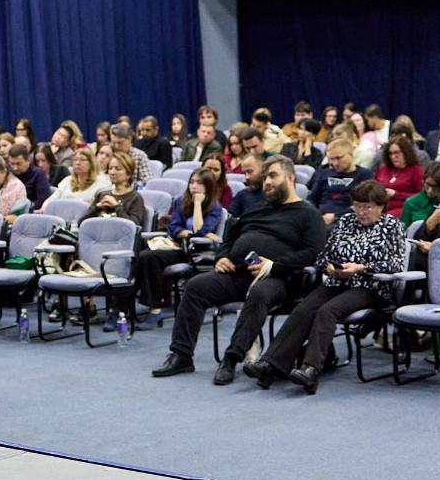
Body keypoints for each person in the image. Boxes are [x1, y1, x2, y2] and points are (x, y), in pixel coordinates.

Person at [151, 156, 328, 382]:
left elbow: (313, 252)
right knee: (195, 286)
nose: (267, 182)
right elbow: (229, 237)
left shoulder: (308, 214)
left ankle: (231, 358)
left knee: (259, 293)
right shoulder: (256, 209)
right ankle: (181, 355)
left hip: (281, 278)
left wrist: (273, 265)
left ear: (290, 178)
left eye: (273, 176)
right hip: (238, 273)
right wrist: (222, 257)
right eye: (265, 177)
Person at [247, 180, 407, 394]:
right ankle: (271, 364)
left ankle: (311, 368)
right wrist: (329, 267)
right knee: (304, 308)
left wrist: (362, 268)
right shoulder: (346, 222)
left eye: (367, 207)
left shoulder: (392, 226)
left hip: (371, 286)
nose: (361, 212)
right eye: (357, 206)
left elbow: (396, 264)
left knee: (328, 310)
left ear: (381, 206)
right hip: (338, 281)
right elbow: (323, 256)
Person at [134, 169, 225, 316]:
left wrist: (197, 204)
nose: (194, 186)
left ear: (208, 186)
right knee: (144, 254)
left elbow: (199, 230)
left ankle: (154, 308)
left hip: (198, 253)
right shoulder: (181, 201)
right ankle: (140, 304)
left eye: (199, 183)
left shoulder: (215, 208)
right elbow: (174, 227)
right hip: (179, 246)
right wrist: (187, 233)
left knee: (150, 257)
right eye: (191, 182)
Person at [308, 139, 373, 226]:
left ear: (350, 154)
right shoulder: (324, 173)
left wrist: (336, 216)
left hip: (348, 220)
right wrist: (315, 215)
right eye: (331, 159)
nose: (335, 163)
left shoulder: (364, 175)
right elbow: (312, 199)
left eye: (338, 158)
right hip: (319, 218)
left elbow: (364, 204)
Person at [398, 161, 440, 230]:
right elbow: (403, 231)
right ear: (423, 180)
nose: (430, 190)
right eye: (428, 184)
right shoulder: (411, 202)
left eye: (435, 187)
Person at [373, 137, 423, 218]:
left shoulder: (417, 171)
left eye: (397, 153)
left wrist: (396, 194)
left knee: (387, 217)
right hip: (379, 205)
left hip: (403, 208)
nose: (393, 156)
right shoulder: (383, 169)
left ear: (406, 152)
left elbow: (420, 197)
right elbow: (373, 186)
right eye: (390, 154)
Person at [107, 122, 153, 186]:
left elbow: (147, 181)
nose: (116, 146)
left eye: (120, 143)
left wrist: (128, 187)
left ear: (129, 139)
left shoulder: (139, 156)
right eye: (114, 143)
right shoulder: (108, 153)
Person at [10, 141, 53, 208]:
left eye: (18, 164)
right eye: (12, 164)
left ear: (28, 160)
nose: (15, 168)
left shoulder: (38, 174)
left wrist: (24, 208)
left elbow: (42, 201)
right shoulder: (8, 173)